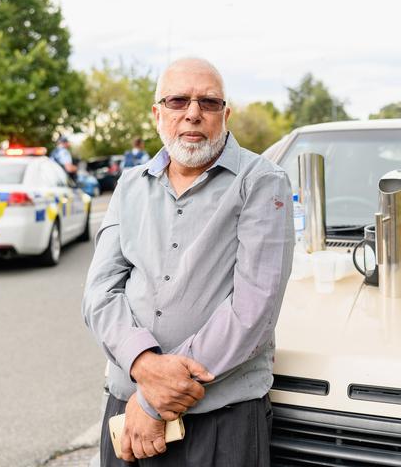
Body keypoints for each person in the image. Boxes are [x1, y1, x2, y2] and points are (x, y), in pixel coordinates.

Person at [82, 57, 294, 466]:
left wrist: (151, 402)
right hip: (126, 414)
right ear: (157, 112)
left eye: (209, 103)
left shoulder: (262, 182)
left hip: (220, 422)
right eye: (178, 100)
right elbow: (99, 293)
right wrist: (143, 365)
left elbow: (253, 311)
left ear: (225, 114)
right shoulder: (130, 185)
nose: (193, 113)